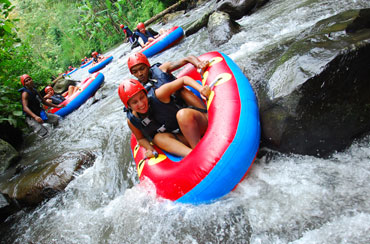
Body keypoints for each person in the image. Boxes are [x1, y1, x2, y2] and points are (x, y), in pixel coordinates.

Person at [118, 78, 210, 158]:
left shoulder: (159, 95)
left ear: (145, 94)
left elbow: (183, 80)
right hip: (182, 136)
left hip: (197, 125)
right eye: (135, 102)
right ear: (128, 106)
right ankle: (192, 155)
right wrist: (150, 149)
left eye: (142, 97)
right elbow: (140, 139)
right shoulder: (132, 120)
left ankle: (198, 150)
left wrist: (201, 89)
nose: (141, 104)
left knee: (183, 115)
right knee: (157, 138)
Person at [127, 52, 209, 109]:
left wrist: (198, 64)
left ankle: (205, 113)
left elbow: (187, 59)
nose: (140, 74)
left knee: (180, 90)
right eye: (135, 72)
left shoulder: (161, 69)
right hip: (171, 110)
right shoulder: (138, 88)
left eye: (142, 69)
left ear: (148, 66)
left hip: (185, 98)